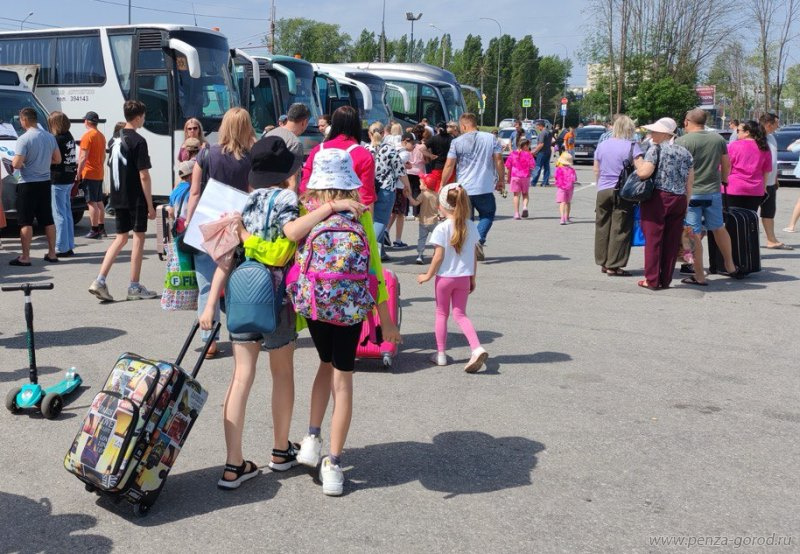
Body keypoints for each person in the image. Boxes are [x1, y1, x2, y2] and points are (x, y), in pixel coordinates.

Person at [198, 136, 344, 489]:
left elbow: (226, 258)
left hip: (242, 293)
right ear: (287, 173)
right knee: (282, 373)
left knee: (240, 377)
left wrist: (210, 304)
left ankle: (233, 464)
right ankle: (280, 451)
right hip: (277, 297)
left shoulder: (242, 203)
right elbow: (286, 246)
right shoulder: (288, 200)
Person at [293, 147, 401, 497]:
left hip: (315, 305)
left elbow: (292, 238)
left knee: (324, 363)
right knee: (343, 378)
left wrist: (325, 209)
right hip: (351, 307)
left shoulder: (307, 208)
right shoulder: (361, 212)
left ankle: (312, 437)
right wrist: (386, 321)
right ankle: (334, 463)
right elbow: (374, 270)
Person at [186, 107, 255, 358]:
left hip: (206, 224)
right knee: (235, 283)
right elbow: (252, 194)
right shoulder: (251, 158)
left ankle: (209, 340)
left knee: (206, 284)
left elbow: (194, 192)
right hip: (236, 226)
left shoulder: (206, 154)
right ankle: (240, 333)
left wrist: (189, 222)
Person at [88, 100, 157, 300]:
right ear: (138, 117)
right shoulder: (139, 141)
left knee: (121, 238)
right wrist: (150, 204)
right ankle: (134, 286)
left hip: (117, 196)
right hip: (135, 197)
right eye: (143, 116)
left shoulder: (114, 139)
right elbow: (144, 175)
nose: (144, 120)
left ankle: (100, 280)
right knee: (138, 238)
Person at [417, 183, 488, 372]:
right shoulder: (470, 226)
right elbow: (473, 256)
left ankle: (441, 354)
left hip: (444, 279)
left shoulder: (441, 228)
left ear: (442, 206)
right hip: (464, 277)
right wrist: (473, 278)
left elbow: (438, 256)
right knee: (460, 314)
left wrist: (427, 275)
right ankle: (476, 348)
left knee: (442, 313)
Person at [675, 109, 742, 285]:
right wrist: (724, 180)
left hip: (691, 193)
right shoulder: (718, 139)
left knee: (692, 234)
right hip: (713, 191)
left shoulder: (682, 141)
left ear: (687, 122)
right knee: (718, 227)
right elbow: (726, 163)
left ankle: (698, 274)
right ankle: (730, 266)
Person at [633, 117, 694, 290]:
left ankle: (652, 280)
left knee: (654, 240)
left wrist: (637, 161)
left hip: (658, 198)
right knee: (671, 241)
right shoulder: (685, 152)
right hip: (679, 198)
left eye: (655, 131)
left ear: (665, 134)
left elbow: (644, 173)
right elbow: (690, 181)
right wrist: (686, 202)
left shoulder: (655, 149)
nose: (651, 134)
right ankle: (665, 279)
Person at [440, 113, 505, 261]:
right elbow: (499, 160)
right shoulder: (491, 138)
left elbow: (449, 164)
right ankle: (479, 240)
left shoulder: (456, 142)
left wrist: (443, 184)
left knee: (466, 219)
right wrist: (501, 180)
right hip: (484, 186)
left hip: (464, 187)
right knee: (487, 214)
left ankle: (467, 248)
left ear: (463, 126)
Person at [9, 108, 61, 266]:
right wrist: (43, 162)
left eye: (20, 120)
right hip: (45, 182)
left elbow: (17, 164)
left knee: (26, 221)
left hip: (27, 183)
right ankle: (52, 253)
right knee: (48, 220)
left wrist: (18, 162)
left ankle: (25, 257)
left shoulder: (23, 139)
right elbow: (58, 159)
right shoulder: (49, 137)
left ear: (24, 120)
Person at [593, 114, 642, 276]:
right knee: (620, 228)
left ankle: (602, 261)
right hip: (623, 191)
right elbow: (641, 170)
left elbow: (596, 169)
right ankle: (613, 265)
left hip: (603, 190)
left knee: (602, 226)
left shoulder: (602, 145)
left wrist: (600, 185)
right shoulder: (633, 146)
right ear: (630, 129)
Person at [300, 106, 375, 208]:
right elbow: (366, 196)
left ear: (333, 124)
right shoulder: (364, 154)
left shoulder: (318, 150)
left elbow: (305, 183)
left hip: (316, 210)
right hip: (349, 212)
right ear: (357, 125)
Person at [366, 122, 411, 261]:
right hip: (386, 188)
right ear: (384, 134)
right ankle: (369, 250)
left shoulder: (365, 149)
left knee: (373, 220)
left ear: (369, 134)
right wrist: (407, 186)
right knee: (381, 221)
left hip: (368, 188)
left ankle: (381, 253)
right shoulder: (389, 150)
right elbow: (400, 170)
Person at [758, 113, 791, 250]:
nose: (778, 126)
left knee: (769, 212)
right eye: (776, 124)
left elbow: (773, 159)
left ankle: (771, 240)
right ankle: (746, 240)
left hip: (771, 182)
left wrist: (775, 178)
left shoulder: (771, 138)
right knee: (750, 213)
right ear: (768, 124)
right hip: (757, 183)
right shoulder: (756, 138)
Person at [725, 121, 772, 214]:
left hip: (734, 188)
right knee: (749, 218)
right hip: (755, 189)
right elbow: (766, 171)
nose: (736, 133)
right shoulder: (764, 147)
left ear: (747, 132)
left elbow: (726, 167)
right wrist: (764, 187)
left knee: (731, 218)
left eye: (738, 131)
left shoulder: (733, 146)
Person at [48, 111, 77, 257]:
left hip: (58, 177)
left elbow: (53, 158)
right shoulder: (69, 136)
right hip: (69, 176)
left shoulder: (56, 139)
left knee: (59, 214)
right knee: (66, 213)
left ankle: (61, 247)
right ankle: (69, 244)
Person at [76, 111, 107, 239]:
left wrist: (78, 173)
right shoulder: (101, 136)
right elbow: (104, 156)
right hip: (99, 172)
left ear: (87, 122)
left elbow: (83, 157)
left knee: (91, 202)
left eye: (84, 120)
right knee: (99, 201)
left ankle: (94, 230)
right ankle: (101, 228)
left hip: (89, 173)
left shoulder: (87, 136)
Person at [266, 102, 309, 189]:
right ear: (304, 122)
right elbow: (292, 182)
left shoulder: (269, 135)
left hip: (265, 190)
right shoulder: (295, 143)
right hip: (282, 192)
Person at [505, 138, 535, 219]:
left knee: (516, 195)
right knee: (525, 194)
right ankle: (524, 207)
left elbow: (508, 166)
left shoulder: (513, 154)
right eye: (528, 146)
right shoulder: (529, 155)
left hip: (515, 176)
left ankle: (516, 213)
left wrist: (508, 177)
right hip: (525, 177)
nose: (529, 147)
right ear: (525, 146)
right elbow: (532, 166)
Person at [424, 122, 454, 192]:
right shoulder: (452, 139)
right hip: (449, 167)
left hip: (437, 166)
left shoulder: (434, 138)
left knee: (437, 188)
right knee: (448, 189)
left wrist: (430, 155)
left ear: (437, 129)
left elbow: (421, 148)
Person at [415, 180, 439, 265]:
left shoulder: (423, 194)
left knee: (422, 239)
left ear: (426, 186)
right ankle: (436, 254)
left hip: (423, 222)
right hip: (434, 221)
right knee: (437, 239)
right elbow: (440, 206)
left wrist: (409, 197)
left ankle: (420, 255)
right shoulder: (436, 195)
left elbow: (415, 203)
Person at [554, 152, 577, 224]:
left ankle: (562, 218)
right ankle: (567, 217)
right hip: (569, 187)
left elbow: (556, 177)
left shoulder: (559, 169)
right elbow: (574, 179)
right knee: (568, 202)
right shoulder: (572, 170)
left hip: (561, 187)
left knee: (562, 202)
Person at [530, 121, 553, 187]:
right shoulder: (549, 132)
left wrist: (534, 151)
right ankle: (545, 182)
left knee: (538, 167)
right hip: (548, 151)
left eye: (537, 126)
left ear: (540, 126)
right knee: (547, 167)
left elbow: (541, 144)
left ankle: (533, 182)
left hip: (542, 152)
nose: (537, 127)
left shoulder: (542, 133)